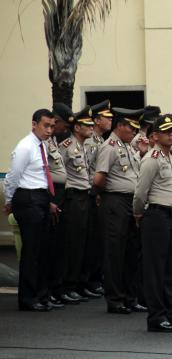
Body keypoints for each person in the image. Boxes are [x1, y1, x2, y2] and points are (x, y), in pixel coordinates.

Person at [4, 109, 59, 311]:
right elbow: (13, 176)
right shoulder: (26, 147)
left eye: (52, 126)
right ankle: (28, 298)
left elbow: (40, 176)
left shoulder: (41, 145)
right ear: (34, 124)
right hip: (27, 198)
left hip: (40, 198)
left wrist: (47, 200)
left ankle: (42, 294)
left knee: (44, 250)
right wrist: (9, 200)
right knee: (32, 251)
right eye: (46, 125)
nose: (50, 130)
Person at [93, 107, 147, 314]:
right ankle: (115, 299)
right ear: (120, 126)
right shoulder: (109, 147)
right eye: (131, 127)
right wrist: (101, 195)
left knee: (131, 252)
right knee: (115, 252)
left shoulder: (127, 146)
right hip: (115, 201)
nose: (134, 131)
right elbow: (99, 179)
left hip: (129, 202)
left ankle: (129, 297)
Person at [133, 115, 172, 332]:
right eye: (166, 131)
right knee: (155, 269)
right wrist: (138, 215)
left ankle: (170, 312)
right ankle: (156, 317)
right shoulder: (152, 158)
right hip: (156, 215)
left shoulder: (170, 157)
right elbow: (140, 193)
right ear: (154, 136)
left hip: (170, 216)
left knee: (169, 268)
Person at [58, 106, 94, 301]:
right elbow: (59, 173)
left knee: (84, 242)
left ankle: (79, 282)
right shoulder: (66, 146)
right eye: (87, 125)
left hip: (85, 196)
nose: (91, 127)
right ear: (77, 128)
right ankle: (67, 284)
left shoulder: (84, 146)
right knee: (72, 242)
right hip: (72, 197)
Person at [80, 99, 114, 297]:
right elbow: (90, 169)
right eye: (107, 118)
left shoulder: (100, 140)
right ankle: (86, 280)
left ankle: (93, 279)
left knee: (97, 240)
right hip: (91, 193)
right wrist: (96, 191)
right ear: (97, 120)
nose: (110, 121)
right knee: (90, 240)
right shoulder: (92, 141)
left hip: (96, 194)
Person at [46, 103, 70, 306]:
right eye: (63, 123)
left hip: (61, 195)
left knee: (61, 245)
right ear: (56, 120)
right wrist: (50, 200)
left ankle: (56, 288)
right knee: (51, 246)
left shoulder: (53, 140)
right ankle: (49, 290)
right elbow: (42, 173)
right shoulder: (44, 142)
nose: (65, 128)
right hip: (51, 196)